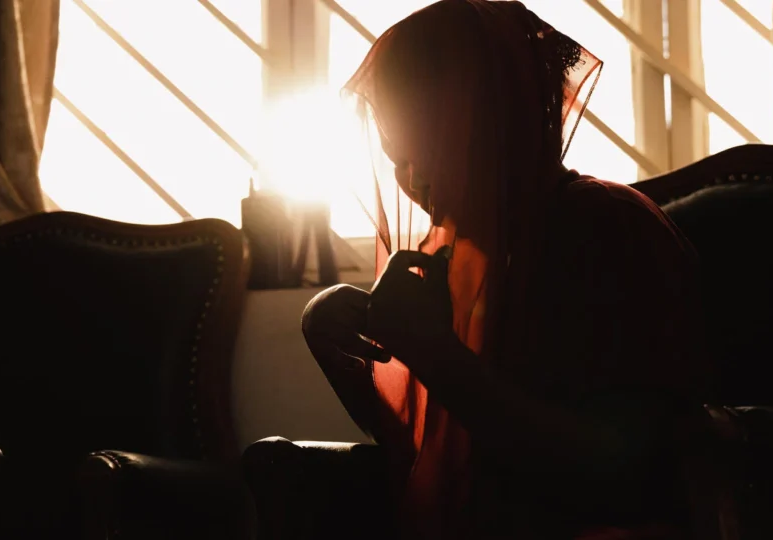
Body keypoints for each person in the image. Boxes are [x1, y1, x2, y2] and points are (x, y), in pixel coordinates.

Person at [301, 1, 713, 538]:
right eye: (397, 157)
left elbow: (624, 474)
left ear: (497, 124)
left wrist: (434, 353)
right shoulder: (459, 260)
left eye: (429, 146)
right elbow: (435, 449)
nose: (415, 179)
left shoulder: (605, 227)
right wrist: (336, 348)